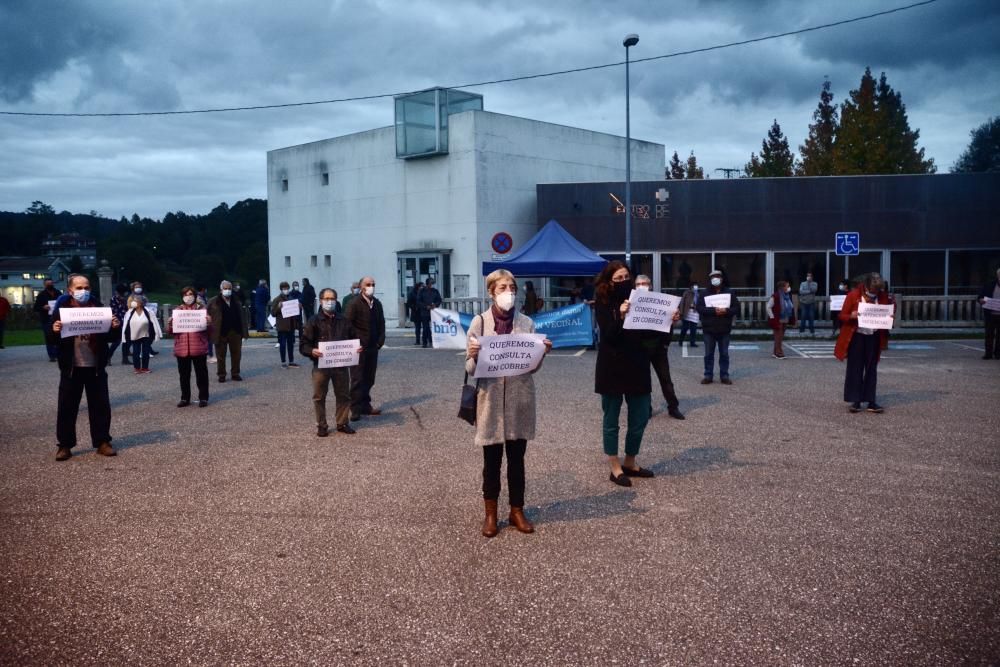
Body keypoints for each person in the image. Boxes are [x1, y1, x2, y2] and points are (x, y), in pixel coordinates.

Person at [465, 269, 552, 537]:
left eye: (512, 287)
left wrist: (541, 353)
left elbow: (532, 368)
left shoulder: (526, 323)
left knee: (517, 460)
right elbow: (469, 368)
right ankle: (490, 514)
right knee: (491, 462)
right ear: (491, 292)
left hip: (519, 400)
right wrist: (473, 355)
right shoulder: (479, 323)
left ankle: (516, 510)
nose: (509, 292)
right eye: (502, 288)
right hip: (490, 400)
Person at [595, 261, 654, 487]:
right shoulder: (603, 300)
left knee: (639, 416)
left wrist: (669, 320)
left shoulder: (640, 299)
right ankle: (614, 465)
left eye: (625, 277)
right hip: (612, 365)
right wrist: (619, 315)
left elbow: (652, 332)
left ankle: (630, 461)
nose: (622, 282)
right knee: (611, 418)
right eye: (617, 278)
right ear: (609, 280)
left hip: (637, 362)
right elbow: (608, 335)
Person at [50, 273, 121, 461]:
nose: (83, 291)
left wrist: (115, 327)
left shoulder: (99, 309)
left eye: (87, 287)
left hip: (95, 367)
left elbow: (111, 338)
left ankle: (102, 442)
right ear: (70, 291)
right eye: (79, 288)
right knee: (66, 407)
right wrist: (55, 330)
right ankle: (64, 445)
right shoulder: (62, 310)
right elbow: (51, 339)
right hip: (71, 367)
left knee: (100, 406)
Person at [300, 288, 362, 437]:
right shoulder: (313, 321)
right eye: (327, 299)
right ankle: (322, 425)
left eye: (332, 299)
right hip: (321, 366)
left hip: (340, 365)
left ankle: (342, 423)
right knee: (319, 396)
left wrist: (357, 347)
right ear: (321, 301)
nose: (330, 302)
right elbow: (303, 345)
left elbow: (354, 338)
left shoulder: (343, 320)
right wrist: (311, 351)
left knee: (343, 396)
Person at [835, 273, 893, 413]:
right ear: (866, 286)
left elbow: (889, 309)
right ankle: (856, 400)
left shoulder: (883, 296)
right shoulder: (853, 295)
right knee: (855, 368)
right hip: (857, 336)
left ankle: (871, 401)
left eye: (878, 290)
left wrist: (890, 315)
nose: (875, 293)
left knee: (871, 369)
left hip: (873, 336)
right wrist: (851, 316)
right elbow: (841, 315)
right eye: (873, 290)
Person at [634, 274, 685, 419]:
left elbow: (670, 321)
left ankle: (673, 407)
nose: (642, 286)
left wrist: (675, 317)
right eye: (638, 284)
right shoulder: (631, 302)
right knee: (644, 381)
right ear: (635, 286)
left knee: (665, 378)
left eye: (644, 283)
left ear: (650, 286)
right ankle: (646, 409)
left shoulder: (660, 301)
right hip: (640, 348)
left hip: (658, 347)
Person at [345, 276, 385, 420]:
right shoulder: (354, 303)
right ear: (362, 287)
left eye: (373, 284)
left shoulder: (377, 304)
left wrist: (380, 342)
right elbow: (347, 325)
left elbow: (381, 323)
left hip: (372, 347)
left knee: (369, 378)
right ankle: (355, 408)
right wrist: (354, 343)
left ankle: (365, 405)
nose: (371, 286)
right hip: (358, 348)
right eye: (368, 284)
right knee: (357, 378)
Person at [167, 286, 212, 407]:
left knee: (201, 374)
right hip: (182, 348)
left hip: (198, 347)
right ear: (182, 297)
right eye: (186, 294)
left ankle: (203, 398)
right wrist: (170, 324)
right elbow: (171, 332)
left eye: (191, 294)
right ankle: (185, 398)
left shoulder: (201, 309)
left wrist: (209, 323)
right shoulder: (178, 310)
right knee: (184, 376)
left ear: (195, 296)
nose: (188, 297)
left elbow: (209, 331)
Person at [696, 269, 740, 385]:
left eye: (717, 277)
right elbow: (699, 308)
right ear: (710, 280)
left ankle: (724, 375)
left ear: (722, 278)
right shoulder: (704, 293)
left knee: (724, 354)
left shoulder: (730, 293)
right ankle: (708, 375)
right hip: (709, 329)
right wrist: (714, 311)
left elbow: (736, 308)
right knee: (708, 354)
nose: (715, 279)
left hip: (724, 329)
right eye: (713, 277)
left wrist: (726, 311)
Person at [207, 280, 249, 382]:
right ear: (221, 290)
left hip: (236, 331)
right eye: (225, 288)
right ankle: (221, 374)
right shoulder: (213, 301)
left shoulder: (236, 300)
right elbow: (206, 314)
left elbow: (242, 316)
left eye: (229, 288)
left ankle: (235, 373)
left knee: (237, 354)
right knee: (220, 355)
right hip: (220, 331)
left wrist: (245, 331)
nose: (227, 290)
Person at [122, 295, 160, 374]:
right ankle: (137, 368)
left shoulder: (148, 311)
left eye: (136, 300)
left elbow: (155, 323)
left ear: (141, 302)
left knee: (145, 352)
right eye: (133, 300)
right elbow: (125, 324)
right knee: (136, 352)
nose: (133, 302)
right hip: (134, 335)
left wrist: (157, 334)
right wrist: (124, 336)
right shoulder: (129, 312)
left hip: (146, 334)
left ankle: (145, 368)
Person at [269, 281, 300, 368]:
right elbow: (273, 313)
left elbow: (295, 312)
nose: (286, 290)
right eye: (284, 289)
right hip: (282, 326)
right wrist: (279, 307)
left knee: (291, 344)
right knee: (282, 345)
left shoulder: (291, 298)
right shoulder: (277, 299)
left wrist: (298, 307)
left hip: (291, 325)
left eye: (287, 288)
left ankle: (291, 361)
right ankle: (283, 362)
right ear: (281, 289)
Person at [33, 278, 62, 361]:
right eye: (48, 284)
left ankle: (58, 353)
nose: (50, 285)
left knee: (59, 336)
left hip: (58, 317)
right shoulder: (41, 295)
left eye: (51, 283)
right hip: (46, 319)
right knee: (49, 337)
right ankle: (52, 355)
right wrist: (43, 307)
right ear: (44, 285)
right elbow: (35, 308)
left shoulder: (58, 293)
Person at [767, 280, 796, 359]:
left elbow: (791, 307)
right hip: (777, 319)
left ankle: (775, 352)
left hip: (785, 319)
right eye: (787, 286)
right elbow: (768, 307)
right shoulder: (775, 296)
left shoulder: (787, 296)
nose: (789, 288)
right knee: (778, 337)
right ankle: (779, 352)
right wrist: (772, 317)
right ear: (782, 287)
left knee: (780, 337)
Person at [977, 268, 1000, 360]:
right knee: (989, 335)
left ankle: (998, 354)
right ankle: (988, 354)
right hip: (990, 314)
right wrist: (981, 300)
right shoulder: (989, 285)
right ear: (998, 276)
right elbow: (979, 297)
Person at [416, 277, 442, 348]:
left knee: (434, 328)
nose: (432, 285)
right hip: (425, 312)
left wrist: (435, 305)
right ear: (428, 284)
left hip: (434, 312)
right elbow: (418, 301)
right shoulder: (421, 291)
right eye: (431, 284)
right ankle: (425, 342)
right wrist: (425, 306)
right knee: (425, 328)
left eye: (433, 284)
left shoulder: (435, 291)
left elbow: (439, 300)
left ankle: (432, 341)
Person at [107, 284, 129, 364]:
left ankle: (125, 358)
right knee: (117, 341)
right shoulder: (115, 299)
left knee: (126, 341)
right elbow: (115, 311)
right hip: (118, 322)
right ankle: (108, 357)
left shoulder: (124, 299)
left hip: (125, 321)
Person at [678, 282, 701, 347]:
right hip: (687, 312)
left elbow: (700, 302)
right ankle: (680, 341)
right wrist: (681, 312)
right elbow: (682, 302)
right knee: (685, 328)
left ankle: (692, 343)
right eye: (694, 286)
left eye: (696, 286)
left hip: (695, 312)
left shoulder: (698, 293)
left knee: (693, 329)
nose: (696, 287)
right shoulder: (687, 293)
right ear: (691, 287)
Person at [798, 272, 818, 337]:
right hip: (803, 302)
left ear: (812, 277)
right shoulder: (802, 283)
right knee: (803, 316)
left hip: (811, 302)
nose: (809, 277)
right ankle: (802, 330)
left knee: (811, 317)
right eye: (808, 276)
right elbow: (801, 291)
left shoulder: (815, 283)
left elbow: (814, 290)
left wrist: (809, 285)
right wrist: (809, 291)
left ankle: (812, 330)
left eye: (810, 276)